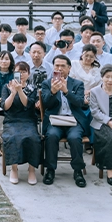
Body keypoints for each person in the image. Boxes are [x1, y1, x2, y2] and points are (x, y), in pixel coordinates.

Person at [41, 55, 90, 187]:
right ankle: (50, 169)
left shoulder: (77, 84)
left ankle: (78, 170)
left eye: (63, 66)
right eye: (57, 66)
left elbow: (80, 103)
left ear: (69, 68)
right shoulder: (47, 83)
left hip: (73, 120)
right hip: (55, 120)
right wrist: (53, 92)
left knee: (75, 138)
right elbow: (45, 104)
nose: (60, 69)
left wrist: (66, 91)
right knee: (51, 136)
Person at [1, 62, 41, 185]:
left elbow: (27, 104)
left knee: (33, 138)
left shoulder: (32, 88)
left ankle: (32, 169)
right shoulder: (6, 87)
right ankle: (14, 168)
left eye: (24, 72)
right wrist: (13, 93)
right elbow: (5, 106)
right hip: (11, 120)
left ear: (28, 74)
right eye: (18, 72)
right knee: (12, 137)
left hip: (28, 120)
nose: (21, 74)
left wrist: (20, 90)